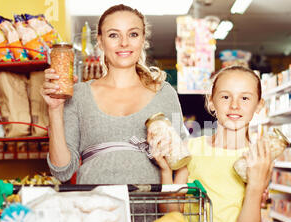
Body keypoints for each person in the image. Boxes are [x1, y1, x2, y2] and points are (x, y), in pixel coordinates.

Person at [41, 4, 187, 187]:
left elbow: (181, 161)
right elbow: (62, 171)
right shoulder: (78, 95)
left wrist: (176, 207)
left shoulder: (164, 94)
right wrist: (54, 109)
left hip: (152, 211)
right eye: (113, 35)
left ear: (143, 40)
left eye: (133, 34)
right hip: (95, 210)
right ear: (100, 42)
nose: (124, 43)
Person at [152, 65, 274, 222]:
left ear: (259, 105)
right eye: (225, 96)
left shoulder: (259, 157)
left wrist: (255, 187)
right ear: (211, 101)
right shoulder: (191, 149)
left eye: (245, 98)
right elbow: (172, 213)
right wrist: (164, 171)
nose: (235, 105)